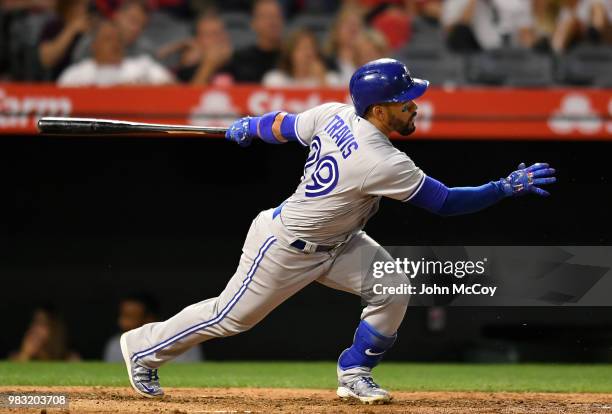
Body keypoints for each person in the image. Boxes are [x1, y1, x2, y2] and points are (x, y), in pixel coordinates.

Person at [118, 58, 556, 404]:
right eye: (406, 101)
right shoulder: (380, 159)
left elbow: (283, 125)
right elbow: (445, 203)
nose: (414, 105)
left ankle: (354, 372)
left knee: (393, 288)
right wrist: (502, 188)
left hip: (340, 243)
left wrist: (250, 127)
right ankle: (141, 347)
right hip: (286, 247)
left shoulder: (333, 115)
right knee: (230, 318)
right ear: (380, 110)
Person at [57, 20, 174, 86]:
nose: (115, 43)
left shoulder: (143, 66)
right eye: (108, 39)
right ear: (94, 46)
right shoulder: (75, 74)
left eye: (118, 39)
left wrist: (142, 90)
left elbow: (175, 90)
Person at [104, 293, 202, 363]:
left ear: (149, 319)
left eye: (130, 317)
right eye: (123, 316)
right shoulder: (116, 344)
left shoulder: (184, 340)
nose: (122, 322)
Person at [72, 0, 154, 63]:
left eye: (142, 26)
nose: (136, 29)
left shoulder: (145, 52)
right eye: (132, 21)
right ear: (117, 16)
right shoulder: (92, 40)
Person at [262, 28, 341, 87]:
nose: (307, 54)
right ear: (290, 54)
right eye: (301, 49)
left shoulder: (332, 79)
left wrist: (322, 80)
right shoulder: (275, 80)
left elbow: (335, 106)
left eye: (311, 48)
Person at [229, 0, 284, 83]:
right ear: (253, 23)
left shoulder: (292, 57)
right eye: (266, 17)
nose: (273, 22)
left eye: (276, 16)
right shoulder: (240, 59)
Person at [38, 0, 91, 80]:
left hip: (90, 79)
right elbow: (47, 60)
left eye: (86, 5)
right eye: (78, 5)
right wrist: (71, 30)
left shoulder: (94, 26)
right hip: (61, 81)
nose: (83, 9)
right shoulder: (53, 27)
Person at [175, 12, 233, 86]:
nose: (218, 39)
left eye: (221, 32)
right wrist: (208, 66)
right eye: (209, 35)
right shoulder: (188, 72)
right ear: (198, 41)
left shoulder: (244, 63)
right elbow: (190, 97)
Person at [10, 305, 80, 361]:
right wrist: (25, 354)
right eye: (34, 322)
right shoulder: (16, 358)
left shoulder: (70, 359)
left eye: (42, 323)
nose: (35, 328)